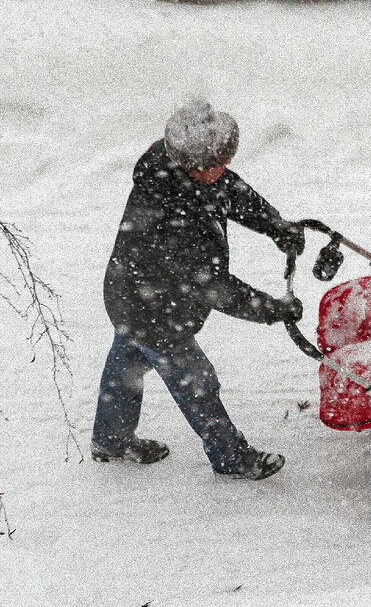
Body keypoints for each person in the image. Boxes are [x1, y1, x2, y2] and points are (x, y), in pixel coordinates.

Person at [91, 96, 305, 480]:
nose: (222, 169)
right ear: (190, 163)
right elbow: (212, 286)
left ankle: (111, 440)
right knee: (197, 382)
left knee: (126, 365)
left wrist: (276, 226)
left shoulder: (188, 167)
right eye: (214, 164)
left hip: (129, 295)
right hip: (153, 308)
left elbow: (232, 191)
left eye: (224, 160)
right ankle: (231, 457)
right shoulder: (171, 209)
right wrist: (272, 309)